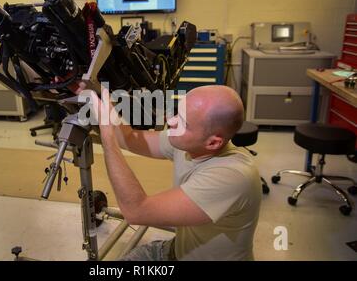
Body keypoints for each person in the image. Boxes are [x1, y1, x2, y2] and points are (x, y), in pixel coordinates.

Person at [81, 84, 262, 261]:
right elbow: (129, 138)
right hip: (177, 250)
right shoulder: (189, 142)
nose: (171, 121)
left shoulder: (232, 177)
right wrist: (96, 92)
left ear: (213, 143)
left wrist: (107, 138)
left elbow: (136, 211)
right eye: (177, 112)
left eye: (183, 122)